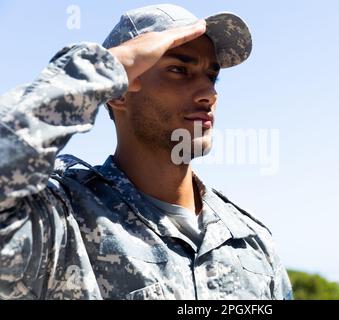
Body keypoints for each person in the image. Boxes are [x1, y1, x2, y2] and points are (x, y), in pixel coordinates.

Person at [0, 4, 292, 300]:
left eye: (211, 76)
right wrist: (107, 65)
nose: (209, 94)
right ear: (119, 92)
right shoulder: (62, 221)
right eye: (179, 70)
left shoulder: (250, 241)